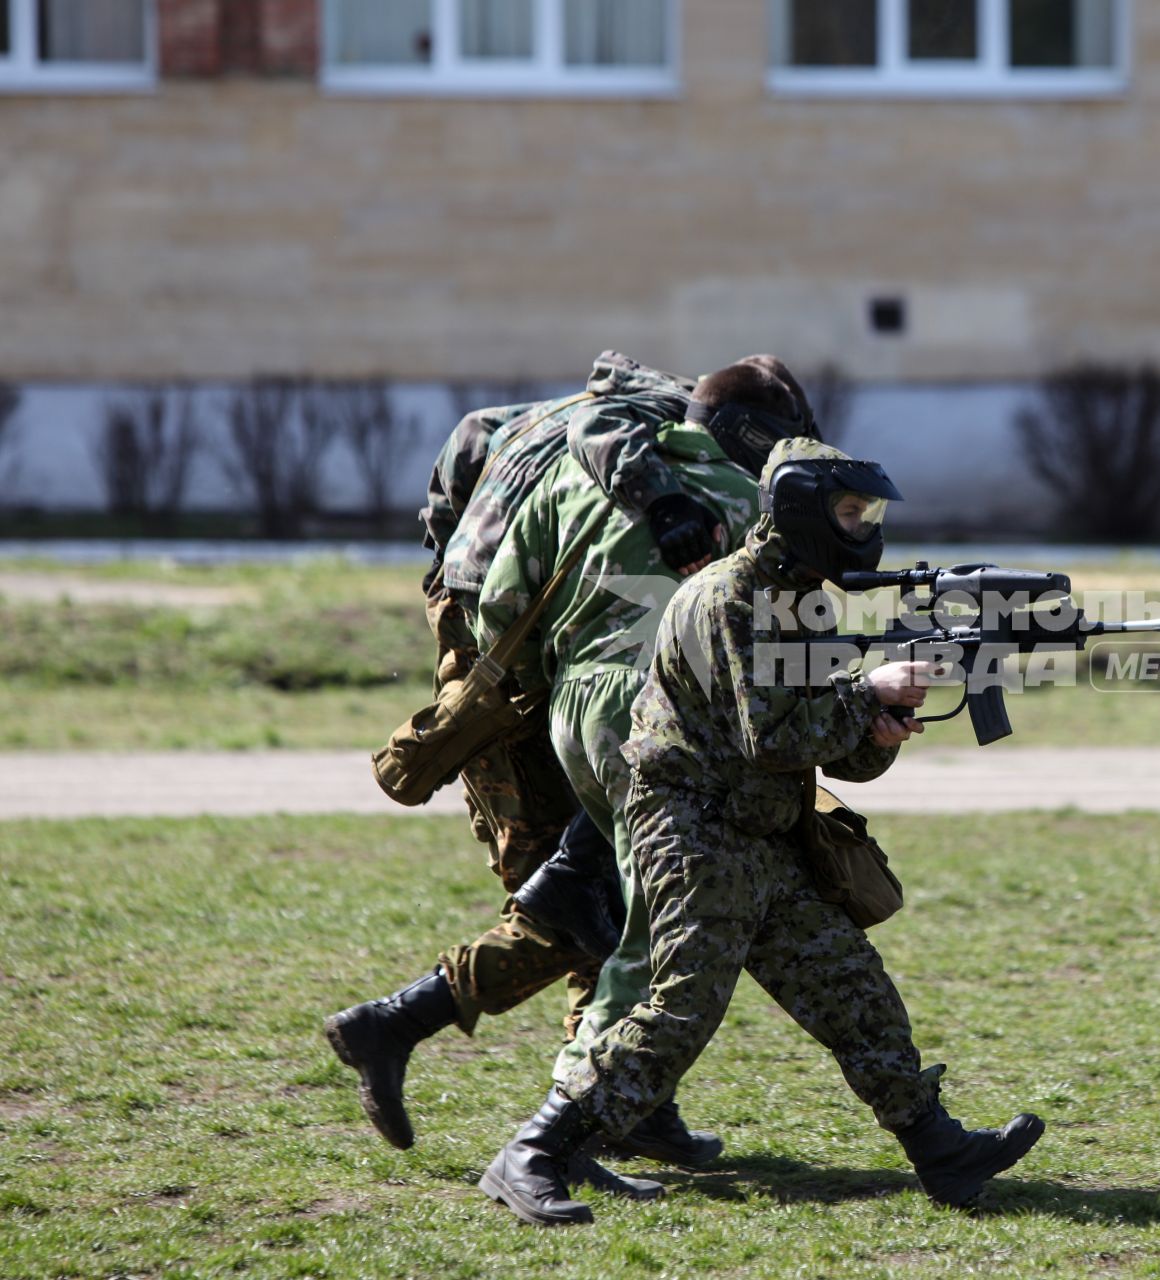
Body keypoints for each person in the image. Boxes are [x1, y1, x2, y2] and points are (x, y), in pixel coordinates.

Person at [480, 438, 1045, 1227]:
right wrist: (867, 691)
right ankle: (533, 1154)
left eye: (867, 514)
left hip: (754, 833)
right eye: (849, 513)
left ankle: (939, 1148)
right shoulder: (734, 599)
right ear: (802, 512)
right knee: (679, 1013)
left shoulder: (797, 599)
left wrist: (877, 724)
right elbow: (772, 737)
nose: (863, 528)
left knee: (851, 988)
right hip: (693, 829)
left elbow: (821, 743)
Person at [324, 353, 781, 1162]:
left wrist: (455, 587)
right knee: (583, 894)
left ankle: (622, 1102)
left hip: (523, 654)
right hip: (538, 669)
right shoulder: (648, 432)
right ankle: (555, 1096)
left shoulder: (538, 419)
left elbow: (463, 458)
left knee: (593, 883)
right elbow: (597, 444)